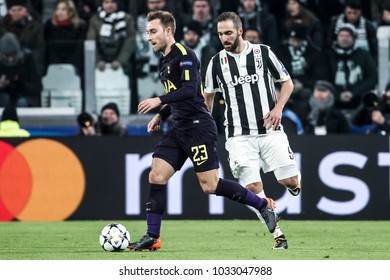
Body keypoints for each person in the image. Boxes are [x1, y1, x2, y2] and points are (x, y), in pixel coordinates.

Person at [129, 10, 278, 251]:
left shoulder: (185, 56)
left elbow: (190, 90)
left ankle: (262, 205)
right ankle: (152, 237)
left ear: (168, 31)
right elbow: (178, 97)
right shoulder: (165, 59)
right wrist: (163, 114)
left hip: (198, 127)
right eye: (147, 32)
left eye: (153, 31)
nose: (149, 37)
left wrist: (158, 101)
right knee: (156, 175)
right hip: (178, 127)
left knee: (210, 185)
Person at [204, 12, 302, 250]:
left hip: (270, 130)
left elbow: (287, 82)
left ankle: (294, 185)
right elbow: (208, 96)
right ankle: (279, 236)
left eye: (228, 32)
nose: (224, 38)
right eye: (220, 34)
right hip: (238, 136)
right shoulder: (216, 63)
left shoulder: (263, 52)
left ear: (240, 30)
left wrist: (278, 108)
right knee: (253, 189)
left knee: (288, 180)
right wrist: (204, 126)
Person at [324, 23, 377, 112]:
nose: (344, 39)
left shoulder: (364, 55)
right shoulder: (328, 56)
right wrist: (338, 94)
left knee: (373, 98)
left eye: (348, 36)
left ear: (353, 38)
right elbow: (324, 78)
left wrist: (353, 93)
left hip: (358, 96)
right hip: (334, 96)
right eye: (341, 35)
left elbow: (372, 78)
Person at [86, 0, 135, 74]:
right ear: (102, 4)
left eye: (113, 2)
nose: (109, 5)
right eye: (106, 2)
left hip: (123, 62)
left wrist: (120, 60)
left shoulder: (127, 19)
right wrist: (98, 60)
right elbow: (91, 41)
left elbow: (130, 40)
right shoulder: (95, 19)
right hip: (100, 62)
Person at [43, 0, 87, 75]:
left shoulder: (80, 27)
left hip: (74, 66)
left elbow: (79, 49)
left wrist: (70, 65)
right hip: (53, 65)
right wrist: (56, 64)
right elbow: (49, 48)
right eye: (58, 9)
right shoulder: (49, 26)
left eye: (64, 9)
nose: (59, 12)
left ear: (71, 12)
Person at [0, 32, 43, 107]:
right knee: (4, 99)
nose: (10, 59)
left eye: (12, 55)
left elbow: (38, 87)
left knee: (21, 103)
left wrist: (21, 85)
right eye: (7, 56)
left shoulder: (27, 60)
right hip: (4, 95)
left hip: (24, 96)